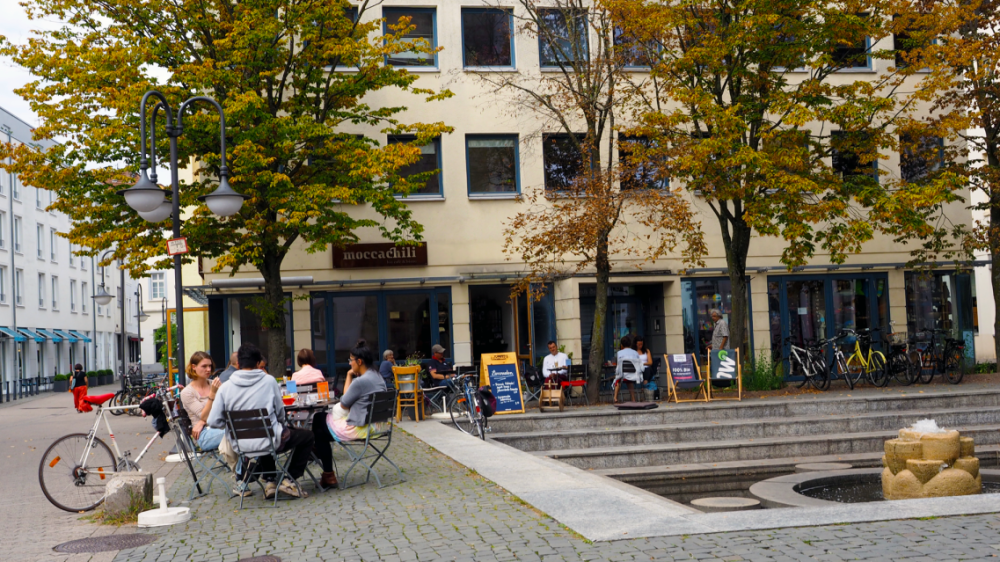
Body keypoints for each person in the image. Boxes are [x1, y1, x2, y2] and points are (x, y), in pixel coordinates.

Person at [207, 343, 315, 499]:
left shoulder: (225, 388)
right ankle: (289, 479)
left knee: (264, 432)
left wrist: (233, 425)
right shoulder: (269, 381)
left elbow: (213, 421)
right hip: (271, 441)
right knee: (306, 436)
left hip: (242, 445)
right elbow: (280, 414)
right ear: (258, 364)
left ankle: (270, 481)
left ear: (238, 364)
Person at [312, 340, 387, 488]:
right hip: (378, 425)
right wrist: (350, 375)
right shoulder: (377, 376)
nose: (349, 364)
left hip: (362, 427)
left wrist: (349, 376)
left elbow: (344, 402)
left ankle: (326, 471)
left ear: (359, 361)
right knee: (320, 425)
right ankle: (321, 461)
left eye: (351, 360)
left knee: (318, 421)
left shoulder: (361, 381)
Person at [179, 352, 227, 453]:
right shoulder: (187, 392)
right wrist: (212, 394)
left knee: (244, 431)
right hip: (204, 434)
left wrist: (202, 422)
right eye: (204, 366)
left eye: (210, 366)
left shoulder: (214, 384)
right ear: (194, 367)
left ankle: (250, 467)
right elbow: (204, 416)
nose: (208, 369)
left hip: (221, 426)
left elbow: (227, 408)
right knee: (238, 433)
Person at [615, 335, 642, 402]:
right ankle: (633, 398)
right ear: (630, 344)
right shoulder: (635, 352)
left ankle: (615, 397)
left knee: (618, 380)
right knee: (629, 381)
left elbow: (619, 365)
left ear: (621, 345)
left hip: (624, 375)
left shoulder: (619, 353)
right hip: (634, 375)